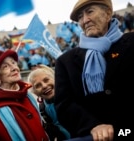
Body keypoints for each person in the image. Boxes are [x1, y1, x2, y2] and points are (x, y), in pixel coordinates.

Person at [54, 0, 134, 141]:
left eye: (90, 11)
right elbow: (64, 105)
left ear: (108, 14)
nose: (85, 20)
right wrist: (93, 126)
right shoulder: (65, 61)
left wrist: (122, 130)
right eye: (80, 17)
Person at [27, 64, 70, 141]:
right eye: (38, 86)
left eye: (46, 80)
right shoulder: (43, 109)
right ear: (34, 92)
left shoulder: (72, 95)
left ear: (55, 79)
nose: (44, 86)